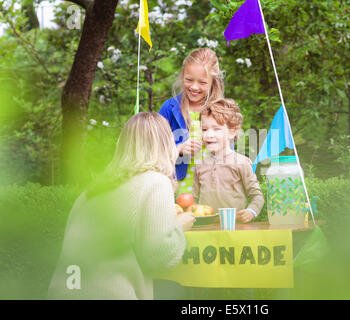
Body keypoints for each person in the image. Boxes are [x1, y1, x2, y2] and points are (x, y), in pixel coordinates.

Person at [47, 112, 195, 300]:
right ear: (166, 145)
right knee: (177, 291)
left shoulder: (92, 190)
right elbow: (158, 257)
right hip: (106, 294)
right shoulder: (156, 182)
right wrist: (178, 227)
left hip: (62, 292)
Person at [158, 48, 224, 195]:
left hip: (212, 186)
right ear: (182, 77)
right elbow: (155, 149)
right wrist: (179, 148)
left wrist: (215, 143)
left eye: (202, 82)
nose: (194, 87)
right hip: (177, 185)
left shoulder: (220, 110)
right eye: (189, 80)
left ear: (213, 82)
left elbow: (228, 148)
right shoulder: (169, 108)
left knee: (208, 214)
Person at [194, 98, 264, 223]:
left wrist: (251, 211)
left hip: (235, 228)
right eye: (204, 129)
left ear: (232, 132)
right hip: (206, 230)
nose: (209, 135)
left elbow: (257, 196)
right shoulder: (200, 166)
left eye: (216, 129)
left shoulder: (241, 162)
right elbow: (193, 201)